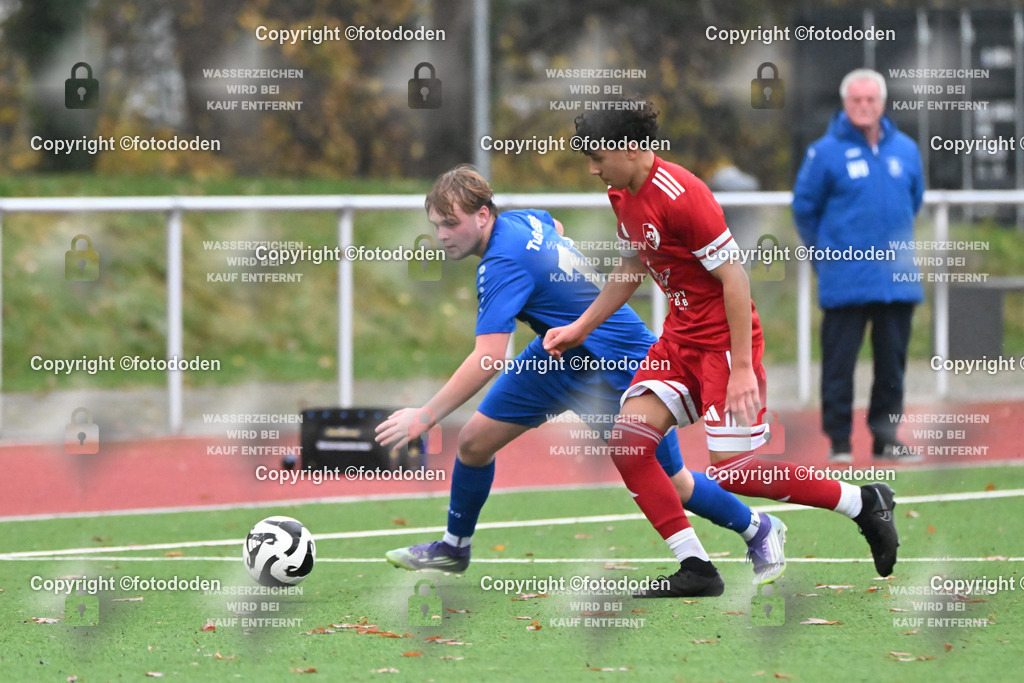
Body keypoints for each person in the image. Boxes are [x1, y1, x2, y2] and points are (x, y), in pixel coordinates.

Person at [375, 165, 787, 595]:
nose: (442, 235)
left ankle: (756, 528)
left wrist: (426, 416)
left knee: (674, 482)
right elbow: (554, 225)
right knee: (474, 443)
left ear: (482, 216)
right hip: (557, 354)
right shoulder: (519, 220)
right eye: (436, 225)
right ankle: (454, 548)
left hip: (615, 362)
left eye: (450, 223)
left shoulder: (501, 263)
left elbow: (488, 358)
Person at [543, 98, 900, 586]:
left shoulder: (683, 195)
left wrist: (741, 369)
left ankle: (862, 501)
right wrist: (581, 328)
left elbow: (735, 279)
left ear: (630, 149)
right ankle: (696, 567)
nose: (592, 169)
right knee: (628, 443)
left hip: (724, 347)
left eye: (597, 158)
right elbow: (632, 266)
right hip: (678, 341)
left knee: (735, 473)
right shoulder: (621, 193)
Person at [792, 68, 925, 464]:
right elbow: (805, 210)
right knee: (839, 364)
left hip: (896, 281)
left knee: (892, 365)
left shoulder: (906, 150)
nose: (864, 106)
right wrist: (827, 255)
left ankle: (886, 438)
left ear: (882, 103)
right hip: (845, 279)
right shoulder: (824, 152)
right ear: (845, 103)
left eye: (871, 99)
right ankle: (840, 441)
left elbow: (914, 200)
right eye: (856, 100)